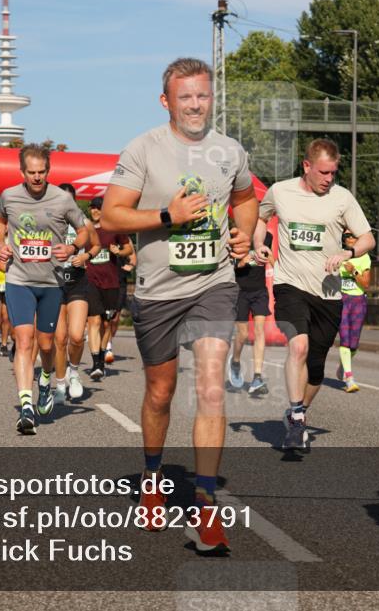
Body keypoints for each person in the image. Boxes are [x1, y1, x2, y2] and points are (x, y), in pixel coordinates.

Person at [101, 57, 257, 555]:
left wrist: (244, 233)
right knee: (161, 392)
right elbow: (111, 215)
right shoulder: (144, 148)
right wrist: (168, 214)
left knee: (211, 385)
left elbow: (247, 196)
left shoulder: (229, 150)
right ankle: (152, 476)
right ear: (166, 100)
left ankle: (205, 505)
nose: (195, 104)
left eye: (203, 95)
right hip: (158, 289)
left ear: (213, 98)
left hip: (214, 282)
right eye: (185, 96)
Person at [253, 138, 374, 451]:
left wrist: (348, 252)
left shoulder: (342, 199)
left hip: (329, 293)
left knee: (316, 368)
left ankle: (299, 410)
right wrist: (259, 243)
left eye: (333, 173)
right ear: (306, 166)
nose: (328, 179)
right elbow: (260, 217)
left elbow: (368, 238)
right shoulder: (280, 191)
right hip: (290, 283)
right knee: (299, 346)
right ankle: (295, 417)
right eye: (323, 172)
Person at [0, 144, 88, 435]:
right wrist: (1, 245)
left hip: (51, 282)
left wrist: (72, 246)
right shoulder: (9, 196)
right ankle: (25, 406)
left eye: (41, 172)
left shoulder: (62, 199)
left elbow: (85, 231)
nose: (36, 178)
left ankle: (45, 379)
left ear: (49, 171)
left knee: (47, 344)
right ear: (22, 172)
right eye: (31, 173)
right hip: (19, 278)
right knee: (24, 340)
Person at [52, 183, 100, 404]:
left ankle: (74, 373)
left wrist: (85, 257)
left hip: (77, 282)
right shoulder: (47, 221)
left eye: (68, 200)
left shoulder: (84, 222)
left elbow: (96, 245)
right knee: (60, 339)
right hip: (53, 282)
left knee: (77, 335)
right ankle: (60, 384)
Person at [86, 196, 133, 381]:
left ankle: (102, 354)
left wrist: (119, 252)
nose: (95, 211)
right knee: (94, 321)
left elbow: (128, 248)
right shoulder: (85, 229)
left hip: (111, 282)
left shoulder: (114, 228)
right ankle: (96, 362)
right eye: (92, 208)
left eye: (98, 208)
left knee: (107, 323)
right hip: (90, 281)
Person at [229, 231, 273, 396]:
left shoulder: (267, 236)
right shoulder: (238, 234)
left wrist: (271, 259)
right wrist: (240, 263)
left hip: (260, 291)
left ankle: (257, 377)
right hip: (240, 291)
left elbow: (272, 260)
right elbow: (229, 263)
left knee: (260, 331)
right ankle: (235, 362)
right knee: (243, 334)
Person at [337, 229, 373, 392]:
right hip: (342, 300)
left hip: (358, 301)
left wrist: (353, 270)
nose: (350, 239)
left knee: (354, 344)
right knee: (344, 338)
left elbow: (365, 284)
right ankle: (349, 378)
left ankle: (343, 365)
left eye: (353, 236)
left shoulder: (364, 257)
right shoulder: (338, 255)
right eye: (347, 236)